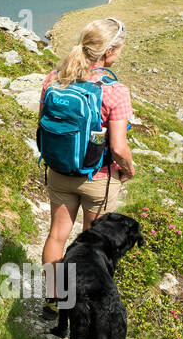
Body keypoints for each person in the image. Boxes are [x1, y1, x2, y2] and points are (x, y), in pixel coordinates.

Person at [40, 16, 135, 307]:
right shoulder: (115, 91)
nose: (119, 54)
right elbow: (118, 146)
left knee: (57, 234)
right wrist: (129, 170)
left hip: (59, 169)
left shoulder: (54, 78)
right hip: (98, 178)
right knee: (91, 244)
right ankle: (81, 303)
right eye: (119, 49)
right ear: (108, 52)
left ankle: (53, 299)